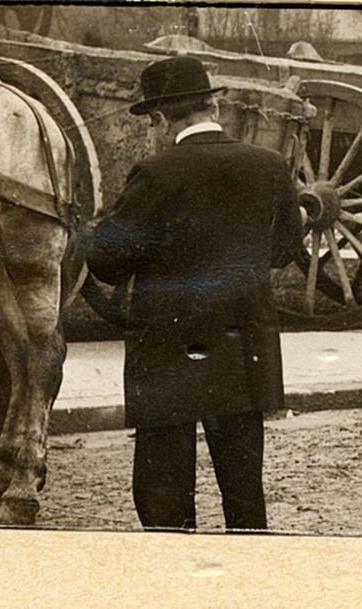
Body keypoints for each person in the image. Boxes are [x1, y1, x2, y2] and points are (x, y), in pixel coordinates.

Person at [87, 56, 300, 531]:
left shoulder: (156, 174)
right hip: (243, 351)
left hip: (166, 354)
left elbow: (105, 261)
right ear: (211, 108)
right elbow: (287, 250)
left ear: (162, 119)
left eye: (151, 123)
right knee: (245, 493)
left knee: (164, 496)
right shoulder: (269, 165)